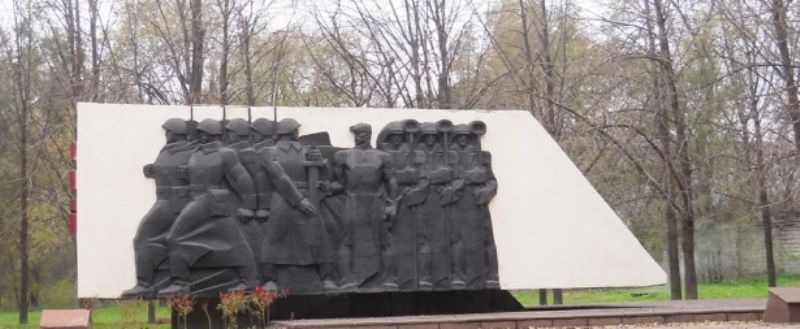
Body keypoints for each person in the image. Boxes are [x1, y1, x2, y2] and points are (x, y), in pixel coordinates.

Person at [158, 119, 259, 296]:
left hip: (211, 200)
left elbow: (242, 178)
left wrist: (249, 206)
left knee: (174, 237)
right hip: (198, 200)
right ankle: (248, 280)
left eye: (202, 132)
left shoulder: (226, 153)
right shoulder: (197, 152)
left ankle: (180, 281)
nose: (199, 135)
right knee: (235, 241)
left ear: (208, 133)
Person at [258, 118, 335, 293]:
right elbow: (278, 177)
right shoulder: (269, 152)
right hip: (284, 197)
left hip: (309, 195)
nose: (297, 133)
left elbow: (326, 177)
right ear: (292, 132)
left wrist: (322, 163)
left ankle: (327, 277)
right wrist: (299, 201)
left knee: (319, 234)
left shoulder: (308, 150)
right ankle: (269, 279)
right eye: (295, 130)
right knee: (274, 235)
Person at [122, 118, 197, 298]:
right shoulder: (167, 151)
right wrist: (154, 170)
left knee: (167, 239)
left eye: (168, 132)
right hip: (163, 200)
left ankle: (179, 282)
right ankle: (145, 283)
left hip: (178, 203)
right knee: (143, 239)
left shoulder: (192, 151)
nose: (166, 135)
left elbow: (206, 175)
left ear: (176, 133)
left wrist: (189, 173)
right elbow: (170, 170)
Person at [324, 123, 399, 291]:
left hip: (376, 203)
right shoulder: (342, 156)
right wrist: (327, 188)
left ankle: (388, 280)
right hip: (353, 202)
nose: (358, 137)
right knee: (346, 241)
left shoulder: (383, 157)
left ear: (369, 134)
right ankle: (346, 280)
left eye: (361, 133)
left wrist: (393, 204)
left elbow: (392, 182)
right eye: (356, 134)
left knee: (385, 242)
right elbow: (339, 184)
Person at [447, 122, 499, 289]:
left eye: (466, 137)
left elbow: (491, 181)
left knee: (485, 239)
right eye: (460, 136)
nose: (463, 139)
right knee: (456, 241)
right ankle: (458, 277)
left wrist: (485, 192)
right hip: (458, 202)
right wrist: (470, 177)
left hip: (477, 202)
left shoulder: (482, 157)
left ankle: (490, 275)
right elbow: (449, 178)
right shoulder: (449, 156)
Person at [377, 120, 426, 291]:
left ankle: (413, 278)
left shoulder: (413, 153)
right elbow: (382, 178)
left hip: (410, 200)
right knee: (390, 241)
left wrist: (415, 185)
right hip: (390, 200)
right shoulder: (383, 154)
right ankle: (390, 277)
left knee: (415, 239)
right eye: (394, 137)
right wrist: (403, 176)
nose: (397, 140)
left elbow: (423, 177)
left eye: (400, 136)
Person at [415, 122, 455, 289]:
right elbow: (420, 176)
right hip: (423, 199)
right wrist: (438, 175)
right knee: (422, 239)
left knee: (442, 239)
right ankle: (424, 276)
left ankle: (442, 276)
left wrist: (442, 177)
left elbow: (451, 174)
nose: (430, 139)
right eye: (427, 136)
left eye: (433, 136)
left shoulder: (444, 151)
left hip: (440, 199)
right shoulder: (417, 152)